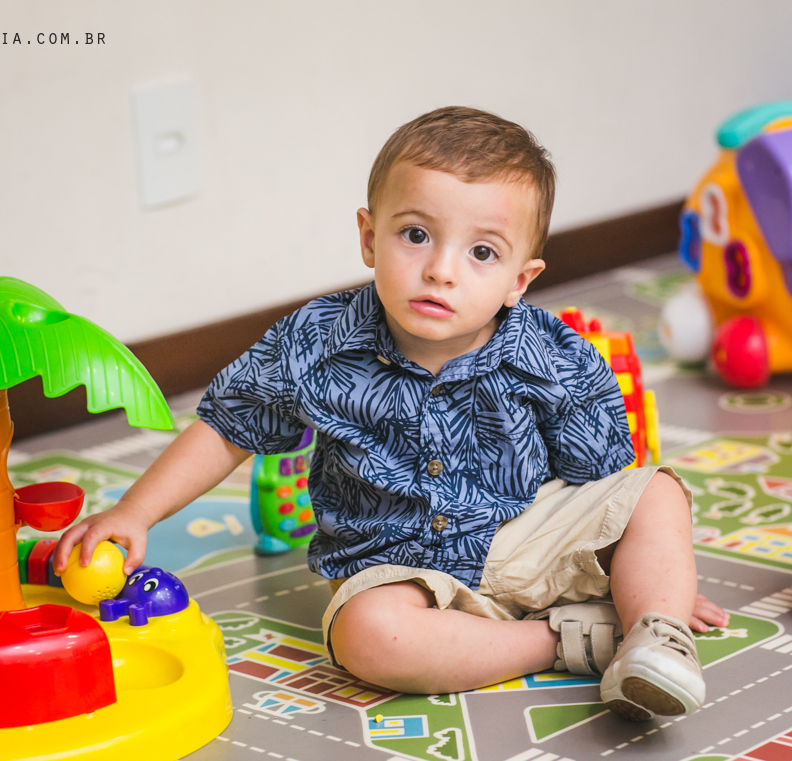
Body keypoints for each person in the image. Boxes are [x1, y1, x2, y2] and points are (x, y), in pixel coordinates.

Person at [53, 106, 729, 721]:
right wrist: (133, 513)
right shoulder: (318, 342)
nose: (441, 270)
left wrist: (648, 578)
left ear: (520, 279)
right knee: (367, 639)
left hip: (522, 536)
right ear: (369, 237)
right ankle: (567, 640)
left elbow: (604, 481)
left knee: (658, 493)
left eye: (482, 252)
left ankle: (655, 633)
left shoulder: (554, 355)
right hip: (397, 571)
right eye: (415, 235)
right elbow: (229, 425)